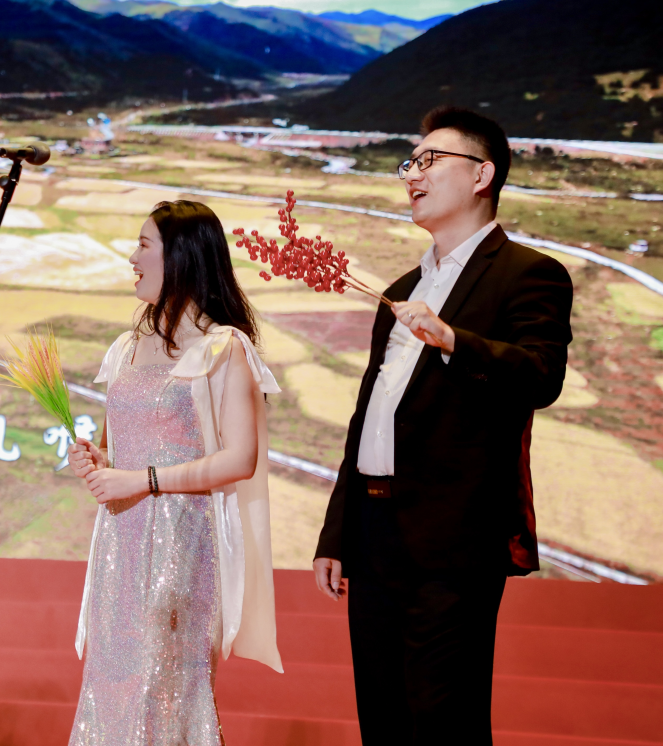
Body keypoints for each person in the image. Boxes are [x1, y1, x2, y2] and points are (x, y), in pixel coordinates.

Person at [312, 107, 574, 745]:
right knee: (382, 717)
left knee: (443, 719)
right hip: (373, 535)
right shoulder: (403, 287)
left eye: (430, 161)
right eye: (410, 163)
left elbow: (541, 376)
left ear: (483, 174)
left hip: (454, 539)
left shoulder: (528, 273)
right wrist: (336, 533)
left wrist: (453, 339)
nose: (412, 175)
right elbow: (370, 417)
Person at [66, 200, 283, 746]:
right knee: (111, 685)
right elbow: (119, 450)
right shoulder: (126, 347)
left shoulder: (223, 348)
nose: (132, 258)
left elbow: (240, 459)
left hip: (182, 544)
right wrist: (96, 461)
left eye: (144, 245)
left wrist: (144, 480)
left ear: (182, 257)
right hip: (120, 540)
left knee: (162, 683)